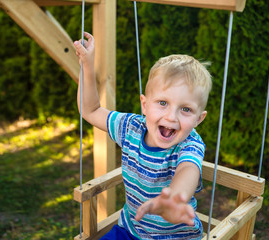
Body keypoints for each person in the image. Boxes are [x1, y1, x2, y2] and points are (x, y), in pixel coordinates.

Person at [74, 32, 212, 240]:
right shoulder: (131, 128)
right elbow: (91, 111)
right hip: (131, 230)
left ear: (198, 119)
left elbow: (188, 170)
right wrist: (87, 65)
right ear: (145, 105)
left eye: (185, 109)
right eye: (163, 103)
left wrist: (174, 199)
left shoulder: (189, 145)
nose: (171, 116)